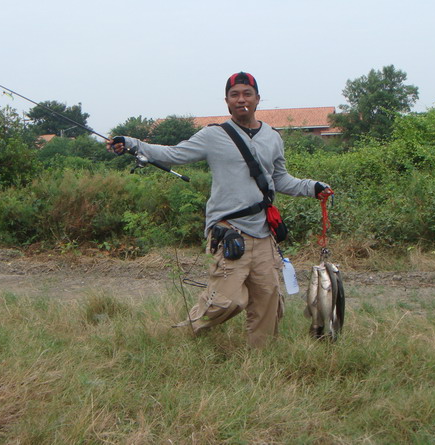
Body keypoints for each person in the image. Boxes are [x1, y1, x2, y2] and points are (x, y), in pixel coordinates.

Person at [108, 72, 331, 348]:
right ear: (227, 101)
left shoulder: (272, 137)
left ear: (258, 99)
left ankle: (261, 361)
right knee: (228, 301)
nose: (242, 100)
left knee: (269, 300)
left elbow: (280, 179)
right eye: (235, 95)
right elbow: (174, 154)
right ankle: (180, 335)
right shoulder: (214, 135)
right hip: (228, 231)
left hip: (264, 232)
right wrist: (132, 144)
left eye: (247, 94)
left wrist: (313, 187)